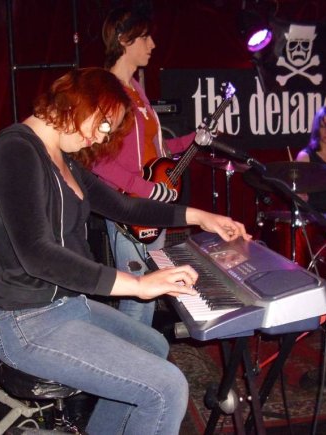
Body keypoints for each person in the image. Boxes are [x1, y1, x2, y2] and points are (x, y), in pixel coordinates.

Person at [0, 67, 250, 435]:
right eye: (104, 125)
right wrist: (138, 285)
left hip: (66, 307)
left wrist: (201, 217)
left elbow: (127, 207)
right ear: (79, 103)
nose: (100, 138)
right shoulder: (15, 152)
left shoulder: (63, 158)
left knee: (153, 344)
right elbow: (37, 254)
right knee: (167, 388)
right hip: (25, 322)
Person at [91, 6, 197, 326]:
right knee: (139, 301)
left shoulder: (137, 89)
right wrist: (146, 189)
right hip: (129, 208)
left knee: (148, 299)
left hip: (150, 205)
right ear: (124, 39)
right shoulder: (107, 91)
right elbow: (97, 162)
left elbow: (158, 150)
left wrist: (195, 140)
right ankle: (130, 369)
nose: (152, 45)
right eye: (145, 37)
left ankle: (141, 366)